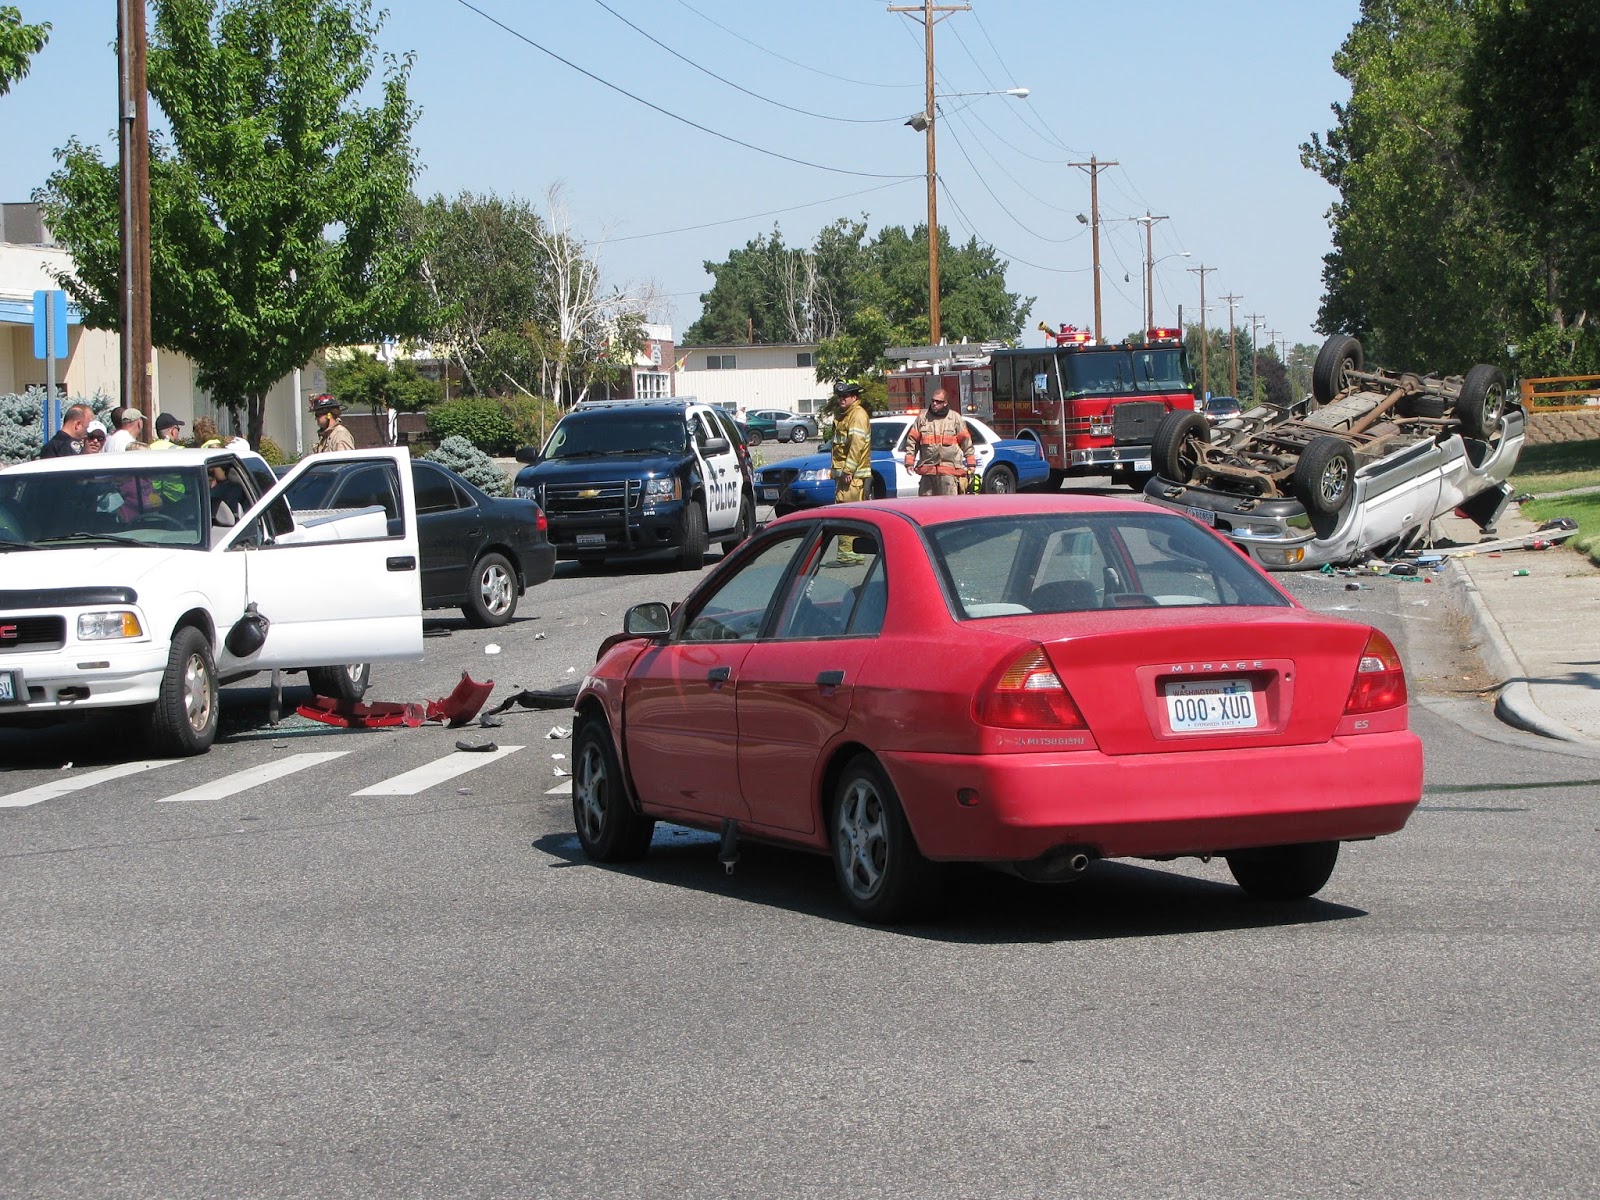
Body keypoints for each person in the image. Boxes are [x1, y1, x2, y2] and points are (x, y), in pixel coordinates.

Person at [903, 384, 976, 496]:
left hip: (949, 473)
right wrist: (909, 463)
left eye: (938, 401)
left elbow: (966, 441)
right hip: (928, 472)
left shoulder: (955, 418)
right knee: (926, 507)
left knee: (948, 508)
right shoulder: (923, 418)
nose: (934, 404)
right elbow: (912, 440)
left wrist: (971, 464)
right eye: (933, 401)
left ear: (945, 403)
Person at [829, 380, 872, 565]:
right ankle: (850, 553)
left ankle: (848, 554)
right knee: (847, 512)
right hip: (847, 476)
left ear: (854, 397)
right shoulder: (845, 415)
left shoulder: (857, 415)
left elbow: (857, 444)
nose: (842, 399)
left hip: (852, 477)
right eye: (840, 396)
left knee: (847, 514)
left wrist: (848, 469)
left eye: (845, 396)